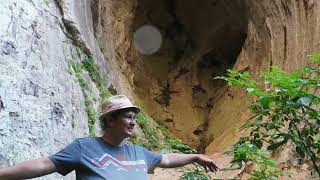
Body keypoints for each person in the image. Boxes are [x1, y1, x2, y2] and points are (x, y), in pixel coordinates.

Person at [0, 95, 219, 179]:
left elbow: (167, 159)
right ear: (110, 120)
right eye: (127, 117)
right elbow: (45, 164)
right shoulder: (84, 147)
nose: (133, 122)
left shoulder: (138, 153)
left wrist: (196, 156)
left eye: (134, 117)